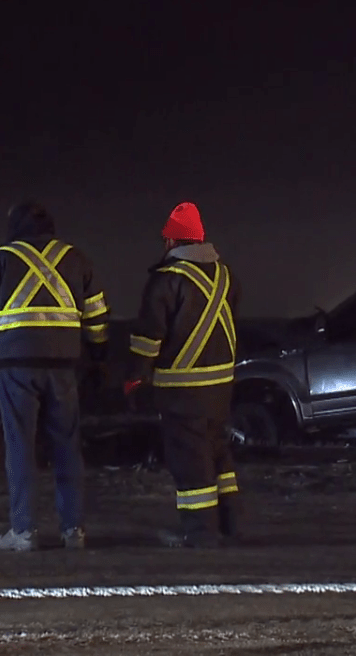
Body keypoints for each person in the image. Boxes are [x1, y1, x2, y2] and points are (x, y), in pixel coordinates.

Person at [0, 201, 111, 552]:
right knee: (66, 445)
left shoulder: (0, 259)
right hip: (63, 368)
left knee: (20, 445)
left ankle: (24, 531)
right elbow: (97, 318)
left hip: (16, 368)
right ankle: (74, 530)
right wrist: (99, 360)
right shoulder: (77, 259)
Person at [125, 201, 242, 548]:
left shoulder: (166, 281)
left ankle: (200, 533)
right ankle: (230, 525)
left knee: (190, 462)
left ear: (174, 242)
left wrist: (135, 377)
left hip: (182, 392)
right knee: (219, 456)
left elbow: (148, 338)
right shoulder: (227, 275)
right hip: (221, 390)